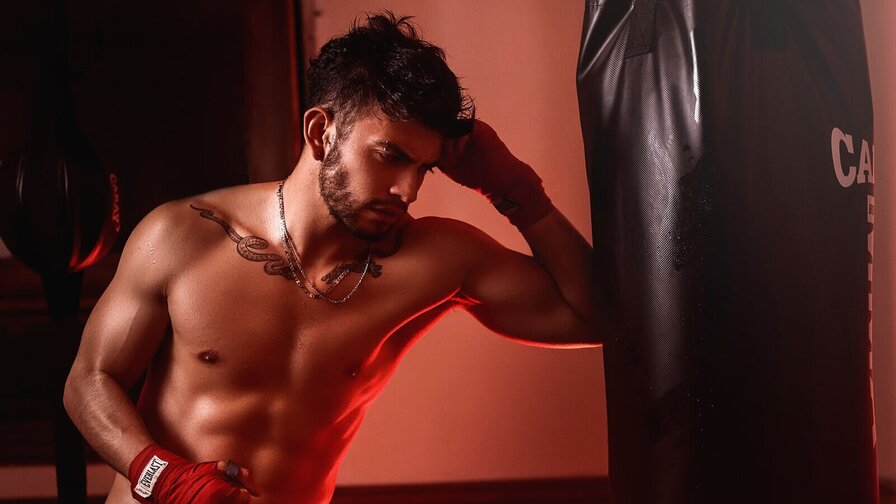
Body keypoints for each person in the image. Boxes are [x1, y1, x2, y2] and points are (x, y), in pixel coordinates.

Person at [64, 12, 598, 504]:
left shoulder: (436, 261)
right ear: (321, 132)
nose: (408, 191)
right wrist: (167, 478)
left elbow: (594, 319)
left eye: (424, 168)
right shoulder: (181, 237)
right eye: (390, 156)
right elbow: (89, 381)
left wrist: (517, 190)